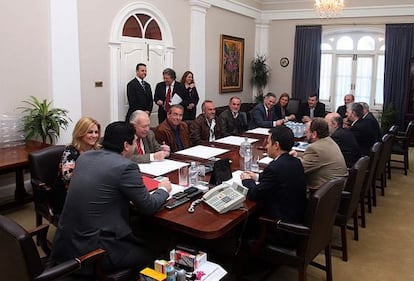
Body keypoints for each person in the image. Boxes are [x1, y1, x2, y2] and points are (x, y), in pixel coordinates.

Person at [51, 121, 172, 277]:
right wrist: (163, 189)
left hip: (66, 242)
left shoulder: (84, 158)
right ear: (126, 145)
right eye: (134, 141)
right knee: (156, 251)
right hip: (95, 250)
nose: (136, 145)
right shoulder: (126, 166)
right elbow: (148, 206)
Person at [240, 126, 307, 247]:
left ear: (276, 145)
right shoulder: (295, 161)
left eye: (269, 142)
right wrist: (257, 177)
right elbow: (277, 178)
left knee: (245, 218)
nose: (266, 146)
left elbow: (254, 194)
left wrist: (247, 180)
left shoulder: (275, 168)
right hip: (297, 216)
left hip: (281, 227)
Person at [53, 117, 101, 213]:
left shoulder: (98, 150)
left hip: (90, 190)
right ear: (80, 133)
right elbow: (69, 177)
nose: (94, 135)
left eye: (96, 132)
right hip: (68, 194)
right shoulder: (70, 151)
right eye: (90, 132)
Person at [291, 118, 348, 189]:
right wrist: (297, 155)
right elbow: (312, 158)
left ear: (314, 134)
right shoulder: (329, 141)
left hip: (324, 193)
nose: (305, 134)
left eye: (307, 131)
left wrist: (292, 159)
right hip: (336, 189)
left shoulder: (314, 148)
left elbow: (298, 169)